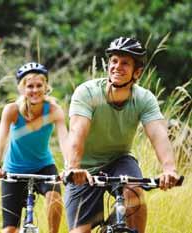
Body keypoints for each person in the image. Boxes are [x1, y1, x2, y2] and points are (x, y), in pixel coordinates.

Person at [65, 37, 180, 233]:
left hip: (119, 160)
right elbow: (77, 132)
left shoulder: (144, 98)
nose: (117, 67)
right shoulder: (87, 93)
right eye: (114, 61)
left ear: (137, 72)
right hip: (83, 169)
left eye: (125, 63)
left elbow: (158, 134)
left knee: (135, 190)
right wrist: (74, 168)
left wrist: (169, 170)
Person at [0, 62, 68, 233]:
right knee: (9, 229)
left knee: (54, 198)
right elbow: (0, 140)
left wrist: (69, 167)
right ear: (22, 89)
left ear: (46, 86)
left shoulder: (54, 110)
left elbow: (65, 140)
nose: (35, 90)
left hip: (43, 167)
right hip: (14, 169)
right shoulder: (12, 110)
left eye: (39, 85)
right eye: (29, 86)